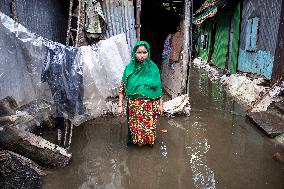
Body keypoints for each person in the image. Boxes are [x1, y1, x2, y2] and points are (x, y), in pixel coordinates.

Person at [117, 41, 163, 147]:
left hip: (151, 106)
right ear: (134, 53)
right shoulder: (129, 68)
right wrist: (120, 105)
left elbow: (158, 88)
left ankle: (148, 144)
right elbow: (122, 87)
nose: (142, 55)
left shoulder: (153, 68)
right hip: (135, 106)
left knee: (149, 126)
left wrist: (161, 105)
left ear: (148, 52)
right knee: (135, 126)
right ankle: (138, 144)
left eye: (144, 52)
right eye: (139, 52)